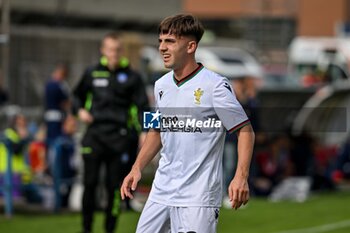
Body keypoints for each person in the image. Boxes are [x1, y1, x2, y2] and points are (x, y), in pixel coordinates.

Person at [121, 14, 255, 233]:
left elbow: (245, 131)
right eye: (161, 41)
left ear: (191, 46)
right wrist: (136, 168)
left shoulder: (215, 86)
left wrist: (241, 177)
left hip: (198, 196)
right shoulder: (161, 85)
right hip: (161, 191)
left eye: (170, 41)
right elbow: (156, 129)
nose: (162, 48)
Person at [72, 32, 148, 233]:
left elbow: (143, 106)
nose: (113, 53)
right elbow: (76, 97)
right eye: (110, 49)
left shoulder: (133, 76)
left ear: (121, 51)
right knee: (89, 184)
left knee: (115, 187)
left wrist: (144, 132)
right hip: (94, 135)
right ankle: (86, 228)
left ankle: (110, 229)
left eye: (117, 49)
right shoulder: (92, 72)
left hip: (120, 138)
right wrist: (80, 111)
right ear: (103, 50)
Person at [44, 63, 70, 148]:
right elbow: (65, 102)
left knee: (50, 141)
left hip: (49, 116)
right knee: (57, 142)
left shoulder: (48, 84)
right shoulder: (59, 86)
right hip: (57, 117)